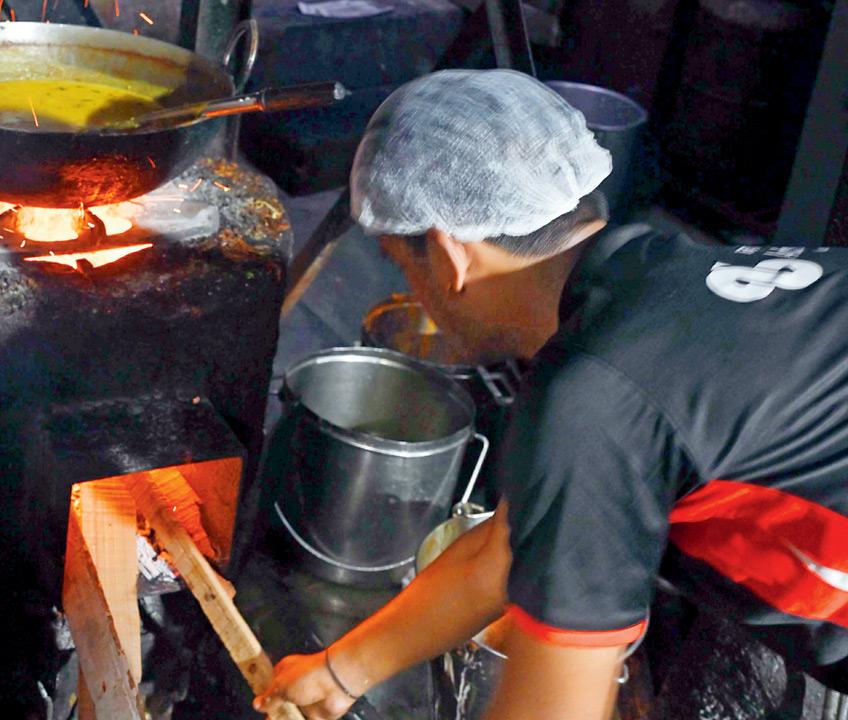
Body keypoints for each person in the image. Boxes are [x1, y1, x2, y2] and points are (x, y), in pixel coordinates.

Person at [252, 69, 848, 720]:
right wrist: (339, 673)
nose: (413, 294)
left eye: (402, 264)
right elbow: (499, 555)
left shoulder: (593, 397)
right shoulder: (658, 269)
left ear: (453, 257)